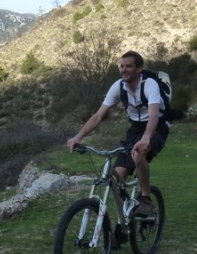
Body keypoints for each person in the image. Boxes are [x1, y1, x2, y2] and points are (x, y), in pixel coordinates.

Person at [67, 50, 169, 227]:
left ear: (139, 68)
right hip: (135, 129)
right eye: (121, 66)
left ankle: (145, 198)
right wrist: (78, 136)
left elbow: (153, 115)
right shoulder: (118, 86)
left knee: (138, 154)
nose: (124, 69)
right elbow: (98, 116)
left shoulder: (149, 84)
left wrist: (145, 138)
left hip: (157, 127)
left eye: (128, 66)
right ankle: (123, 227)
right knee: (114, 180)